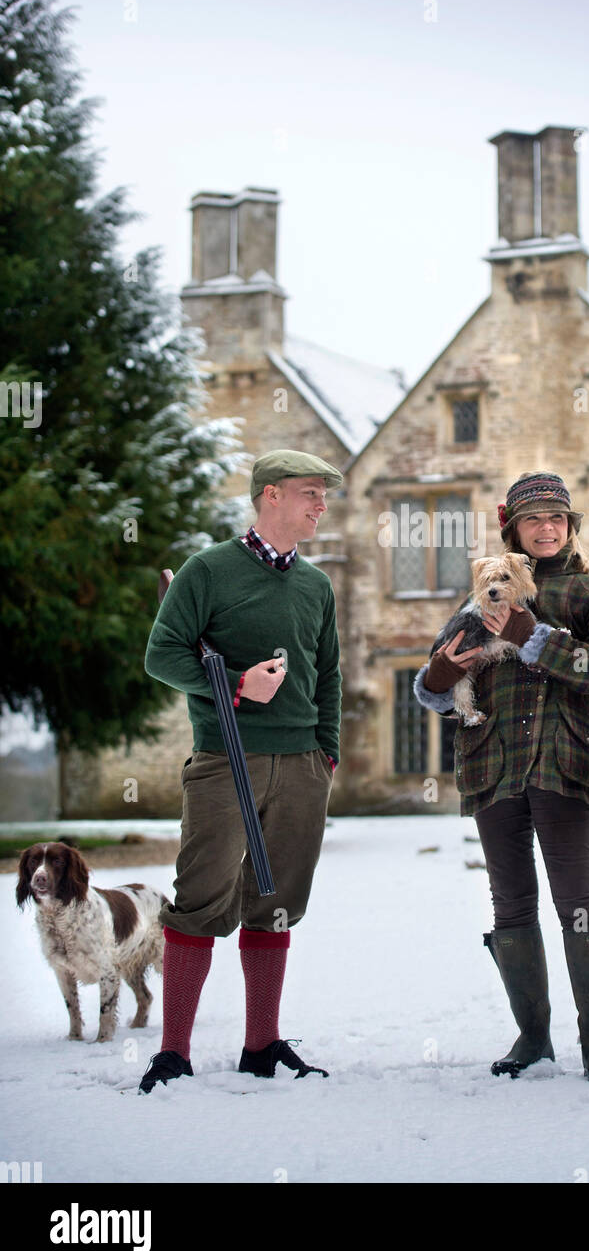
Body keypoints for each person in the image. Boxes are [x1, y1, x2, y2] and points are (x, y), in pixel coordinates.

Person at [138, 449, 343, 1092]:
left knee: (276, 905)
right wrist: (232, 685)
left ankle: (261, 1044)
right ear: (271, 496)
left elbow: (328, 675)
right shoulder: (207, 573)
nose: (321, 505)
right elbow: (162, 655)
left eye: (324, 495)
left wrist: (325, 752)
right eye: (311, 492)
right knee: (200, 902)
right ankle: (174, 1051)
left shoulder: (315, 585)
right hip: (225, 759)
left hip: (302, 765)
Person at [414, 472, 589, 1080]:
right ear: (513, 530)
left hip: (566, 760)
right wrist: (434, 678)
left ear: (570, 527)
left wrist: (532, 637)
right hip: (491, 763)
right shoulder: (481, 597)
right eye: (533, 520)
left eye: (557, 519)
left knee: (578, 901)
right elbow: (436, 681)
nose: (546, 529)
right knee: (510, 903)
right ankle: (533, 1037)